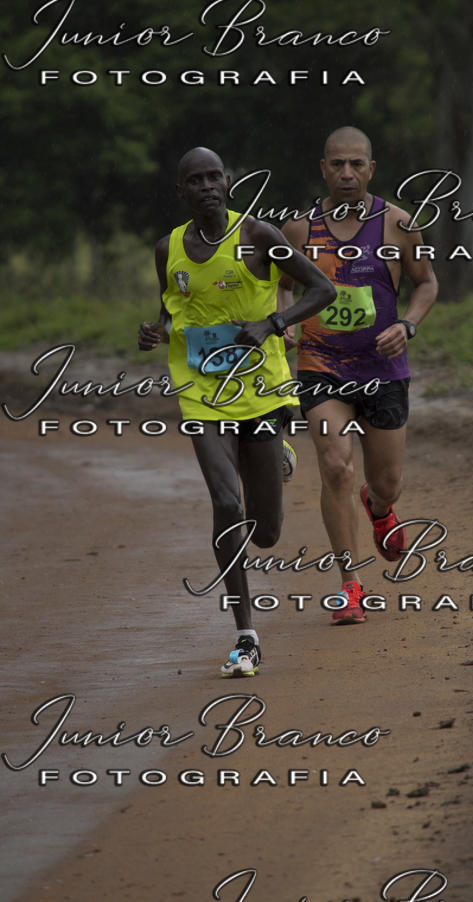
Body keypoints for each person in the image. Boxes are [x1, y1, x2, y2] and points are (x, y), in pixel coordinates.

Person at [139, 147, 336, 674]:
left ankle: (277, 454)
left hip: (264, 391)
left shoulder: (259, 237)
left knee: (265, 531)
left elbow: (321, 289)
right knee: (227, 503)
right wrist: (155, 328)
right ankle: (245, 634)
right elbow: (171, 301)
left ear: (227, 182)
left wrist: (275, 323)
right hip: (201, 390)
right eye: (194, 180)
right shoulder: (168, 248)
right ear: (181, 192)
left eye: (213, 177)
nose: (206, 186)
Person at [279, 127, 438, 624]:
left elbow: (427, 282)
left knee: (386, 480)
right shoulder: (299, 230)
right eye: (337, 164)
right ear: (323, 169)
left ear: (371, 168)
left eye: (356, 164)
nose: (346, 173)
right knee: (336, 466)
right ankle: (350, 584)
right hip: (322, 366)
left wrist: (407, 324)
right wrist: (284, 321)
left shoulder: (398, 224)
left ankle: (380, 506)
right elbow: (281, 286)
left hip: (383, 368)